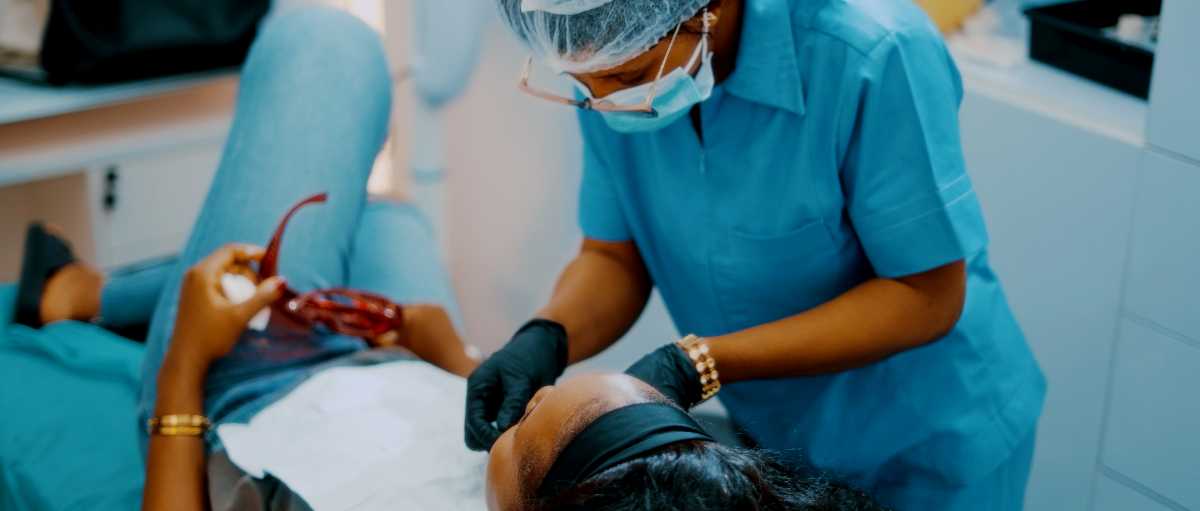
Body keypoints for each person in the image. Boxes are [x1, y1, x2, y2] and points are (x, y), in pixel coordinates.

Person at [5, 5, 885, 510]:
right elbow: (594, 287)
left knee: (327, 40)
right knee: (383, 219)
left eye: (534, 413)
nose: (533, 394)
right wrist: (448, 354)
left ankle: (100, 301)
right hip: (391, 360)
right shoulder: (582, 486)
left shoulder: (865, 56)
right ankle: (90, 294)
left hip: (247, 393)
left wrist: (188, 364)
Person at [465, 0, 1047, 509]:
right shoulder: (608, 59)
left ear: (705, 9)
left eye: (629, 75)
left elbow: (925, 295)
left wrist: (699, 363)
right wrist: (547, 334)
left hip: (922, 435)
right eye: (585, 83)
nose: (606, 101)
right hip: (772, 434)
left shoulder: (870, 51)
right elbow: (615, 258)